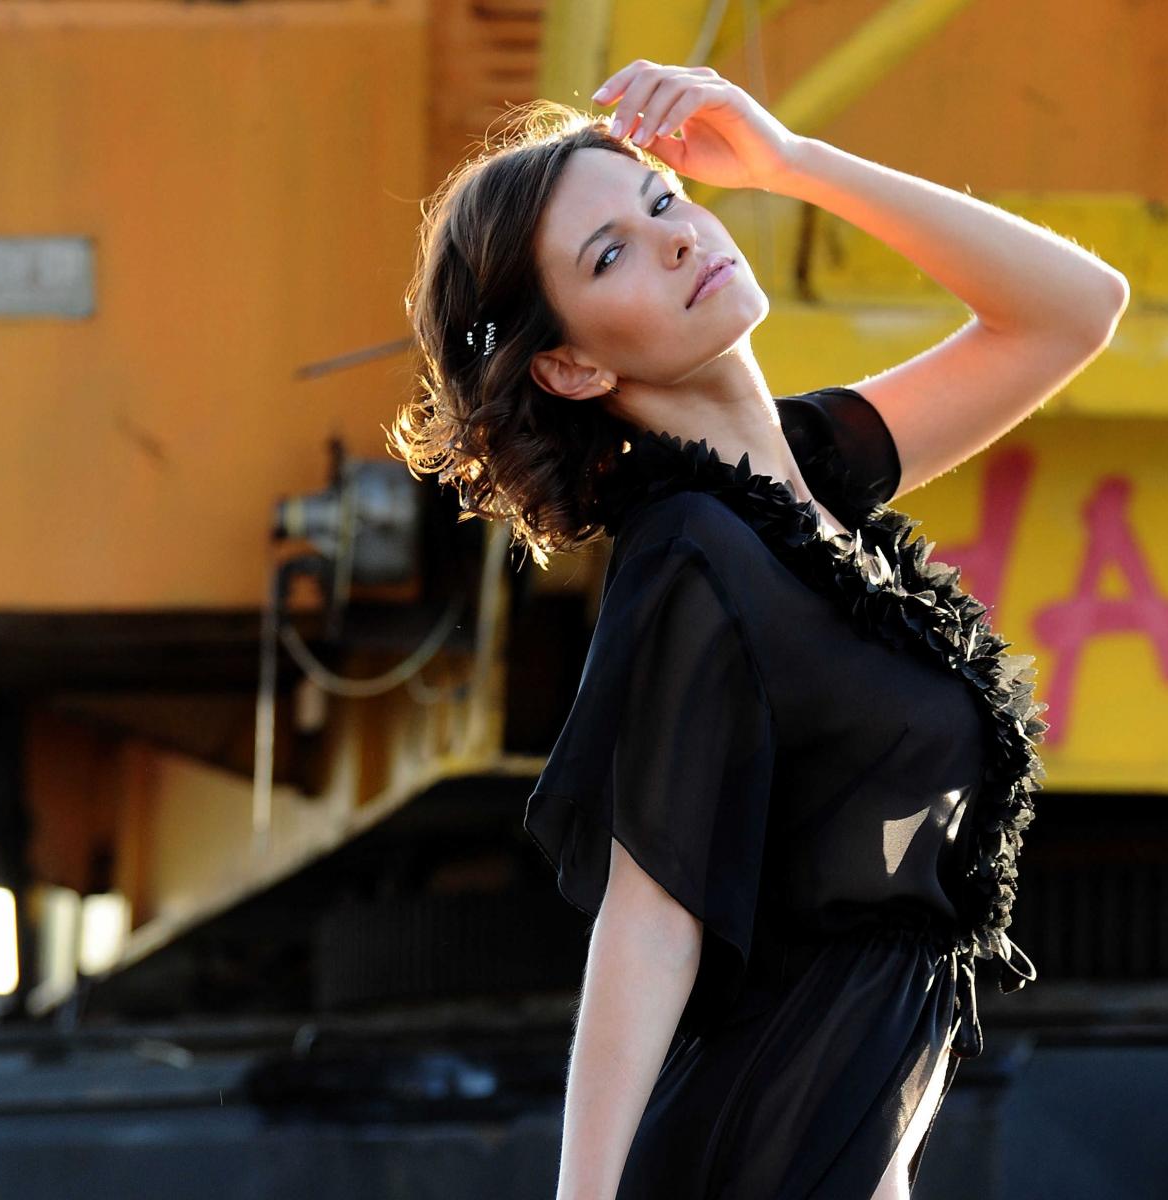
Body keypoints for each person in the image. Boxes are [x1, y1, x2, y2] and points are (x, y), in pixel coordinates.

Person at [389, 61, 1126, 1200]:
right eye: (611, 255)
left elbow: (1077, 309)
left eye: (663, 201)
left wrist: (792, 162)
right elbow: (652, 914)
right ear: (573, 365)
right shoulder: (694, 552)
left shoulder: (810, 485)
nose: (677, 238)